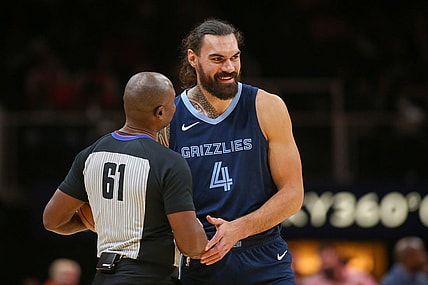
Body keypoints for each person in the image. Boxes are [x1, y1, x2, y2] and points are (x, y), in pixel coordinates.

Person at [161, 18, 304, 284]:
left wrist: (237, 229)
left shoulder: (267, 106)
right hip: (201, 261)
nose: (229, 68)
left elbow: (293, 194)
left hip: (264, 259)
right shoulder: (170, 117)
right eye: (217, 59)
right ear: (193, 58)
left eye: (234, 58)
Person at [43, 72, 208, 285]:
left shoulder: (90, 154)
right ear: (160, 112)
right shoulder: (169, 163)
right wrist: (199, 230)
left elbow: (51, 220)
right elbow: (191, 246)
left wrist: (90, 223)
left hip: (103, 277)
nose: (175, 108)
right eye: (172, 104)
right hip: (149, 277)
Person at [299, 243, 378, 285]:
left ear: (337, 257)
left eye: (329, 256)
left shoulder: (359, 278)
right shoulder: (311, 282)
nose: (327, 261)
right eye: (323, 258)